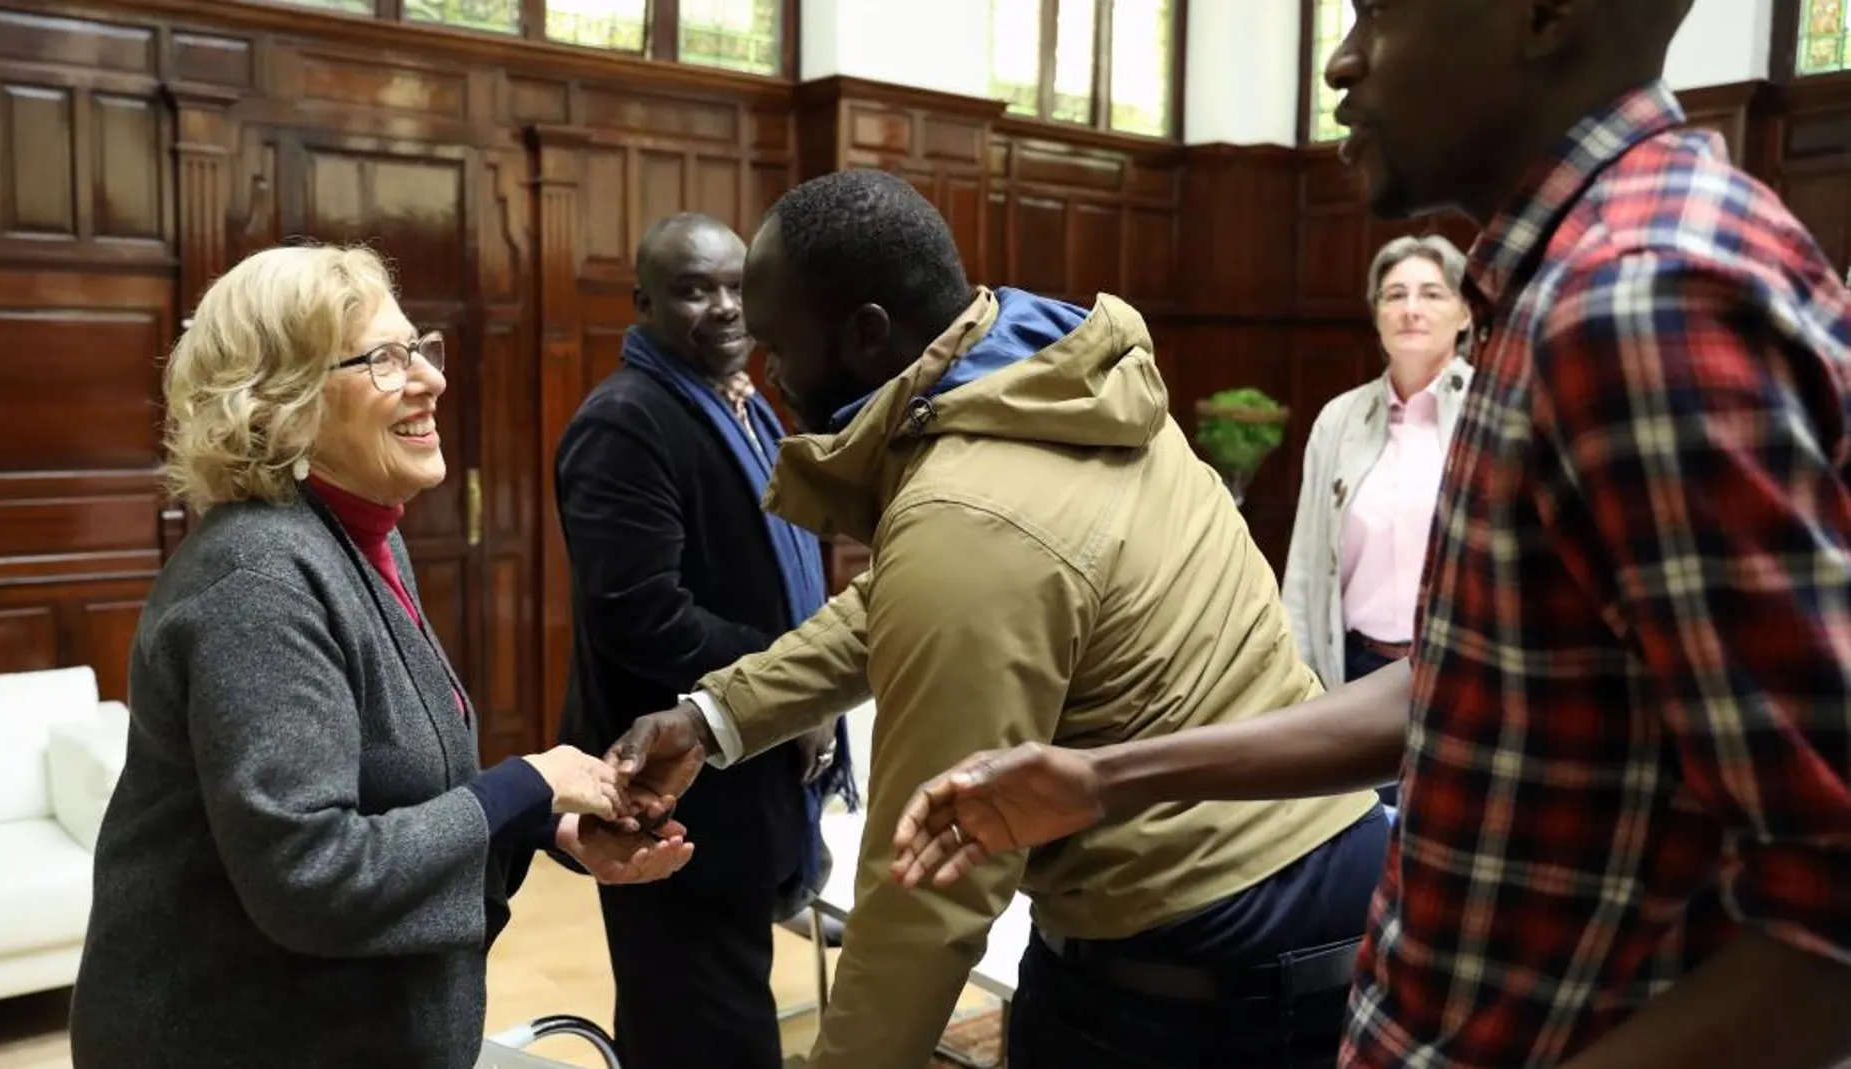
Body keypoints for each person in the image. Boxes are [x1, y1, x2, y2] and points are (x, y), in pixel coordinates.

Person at [891, 3, 1851, 1069]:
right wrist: (1109, 775)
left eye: (1381, 12)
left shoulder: (1635, 299)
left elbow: (1824, 909)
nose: (1342, 61)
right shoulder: (1564, 285)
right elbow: (1467, 685)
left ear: (1542, 16)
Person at [609, 169, 1390, 1069]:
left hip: (1202, 950)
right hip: (1324, 863)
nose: (767, 370)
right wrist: (716, 715)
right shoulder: (1059, 381)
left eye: (780, 344)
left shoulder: (968, 514)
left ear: (865, 334)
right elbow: (899, 597)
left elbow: (928, 880)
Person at [69, 244, 692, 1069]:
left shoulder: (360, 543)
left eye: (420, 348)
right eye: (385, 359)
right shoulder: (258, 580)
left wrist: (547, 825)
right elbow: (313, 876)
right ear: (281, 398)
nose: (430, 378)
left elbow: (392, 795)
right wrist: (526, 783)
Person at [553, 212, 854, 1069]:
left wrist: (808, 684)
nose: (724, 308)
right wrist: (792, 684)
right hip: (673, 795)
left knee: (719, 1015)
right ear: (645, 302)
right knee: (700, 1032)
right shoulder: (626, 421)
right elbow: (640, 613)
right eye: (694, 290)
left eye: (737, 287)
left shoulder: (749, 405)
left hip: (740, 777)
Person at [1283, 235, 1472, 694]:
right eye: (1395, 294)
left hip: (1458, 667)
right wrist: (1299, 684)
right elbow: (1306, 569)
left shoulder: (1488, 408)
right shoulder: (1338, 418)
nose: (1411, 308)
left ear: (1465, 312)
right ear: (1377, 313)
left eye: (1431, 293)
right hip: (1355, 665)